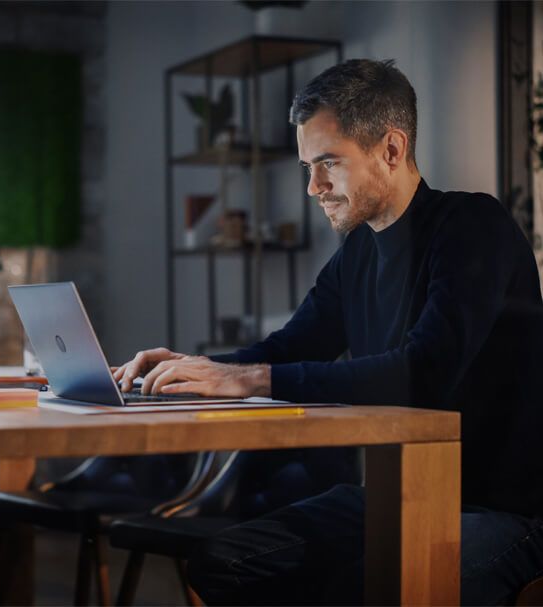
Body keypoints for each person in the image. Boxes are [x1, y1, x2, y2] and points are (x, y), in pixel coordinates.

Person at [113, 59, 543, 605]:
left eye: (328, 163)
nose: (313, 187)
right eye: (307, 167)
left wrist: (246, 379)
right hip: (397, 495)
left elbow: (422, 373)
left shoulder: (474, 228)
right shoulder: (358, 252)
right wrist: (186, 368)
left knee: (367, 584)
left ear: (391, 148)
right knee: (222, 564)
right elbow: (288, 348)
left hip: (506, 511)